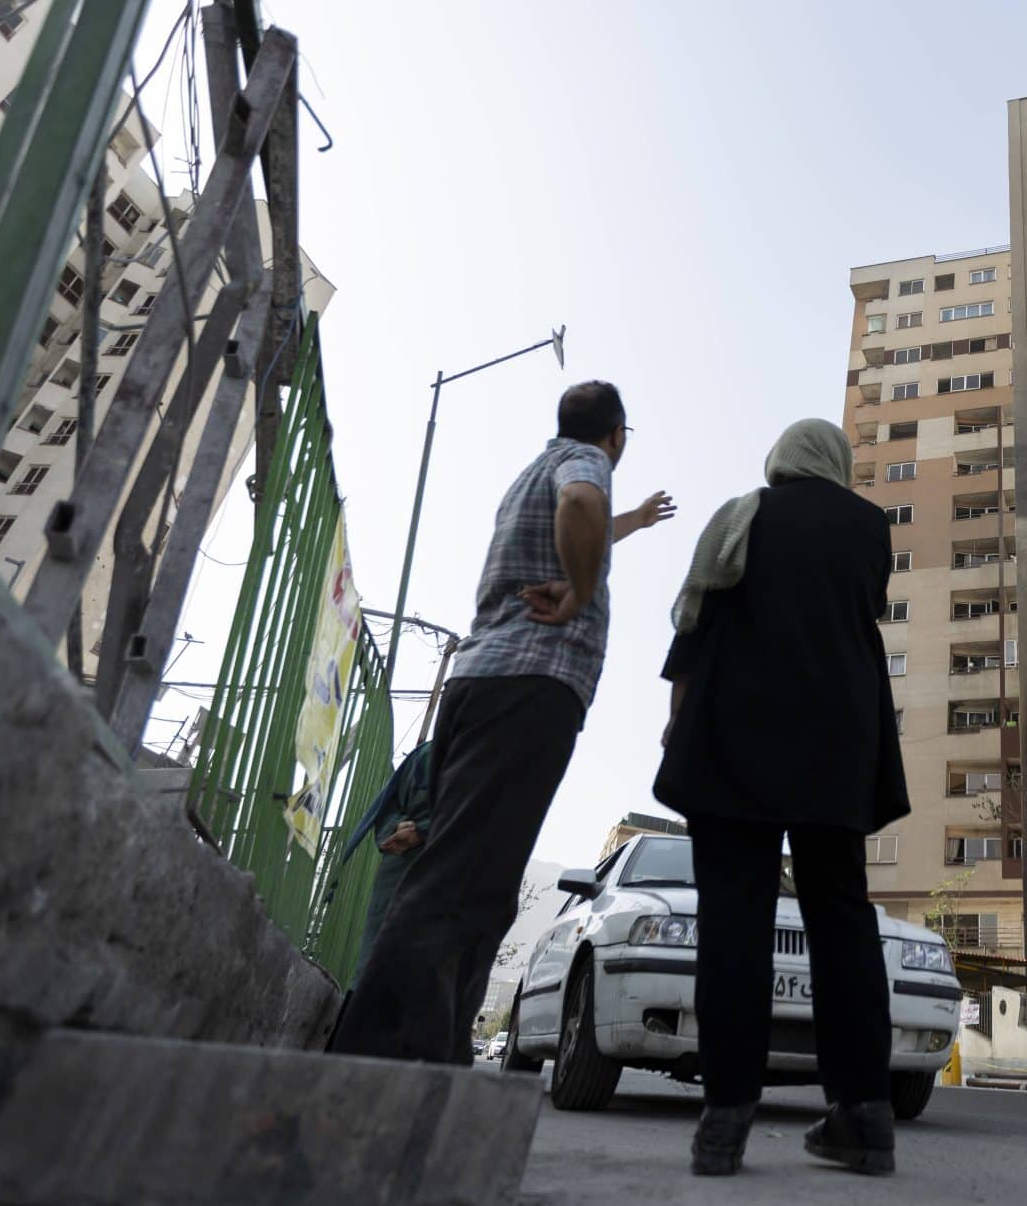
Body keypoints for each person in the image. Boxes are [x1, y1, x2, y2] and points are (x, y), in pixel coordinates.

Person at [331, 380, 675, 1064]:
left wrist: (632, 520)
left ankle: (436, 1052)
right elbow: (582, 504)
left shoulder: (533, 473)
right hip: (530, 686)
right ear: (615, 435)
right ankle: (373, 1052)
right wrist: (580, 593)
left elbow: (590, 522)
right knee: (460, 878)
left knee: (481, 885)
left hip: (482, 682)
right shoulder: (585, 465)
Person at [653, 418, 909, 1177]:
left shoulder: (742, 515)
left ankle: (725, 1119)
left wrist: (677, 721)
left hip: (739, 734)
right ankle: (865, 1115)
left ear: (781, 461)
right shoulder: (869, 526)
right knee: (842, 920)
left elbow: (696, 624)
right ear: (836, 463)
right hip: (837, 746)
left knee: (735, 918)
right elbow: (861, 608)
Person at [341, 739, 435, 988]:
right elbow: (387, 808)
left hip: (444, 880)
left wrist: (423, 831)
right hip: (398, 874)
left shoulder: (485, 755)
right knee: (376, 969)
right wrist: (397, 826)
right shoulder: (425, 754)